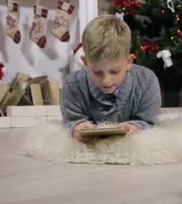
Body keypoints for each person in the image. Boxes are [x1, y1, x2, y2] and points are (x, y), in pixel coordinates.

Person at [61, 15, 161, 143]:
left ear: (129, 61)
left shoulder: (147, 81)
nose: (106, 81)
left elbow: (150, 121)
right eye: (97, 72)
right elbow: (71, 120)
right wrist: (77, 126)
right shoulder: (72, 85)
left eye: (114, 71)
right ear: (86, 63)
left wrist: (137, 126)